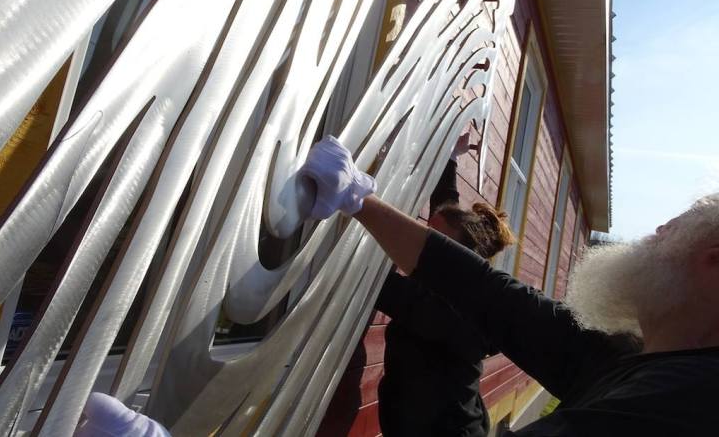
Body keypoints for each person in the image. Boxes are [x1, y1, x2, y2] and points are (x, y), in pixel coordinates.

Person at [300, 136, 719, 436]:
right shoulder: (631, 355)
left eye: (672, 229)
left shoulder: (682, 404)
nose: (656, 231)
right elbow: (494, 295)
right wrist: (357, 199)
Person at [375, 132, 516, 436]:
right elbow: (444, 210)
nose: (420, 245)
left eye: (433, 243)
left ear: (456, 257)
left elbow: (379, 284)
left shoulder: (450, 310)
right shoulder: (454, 273)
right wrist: (451, 156)